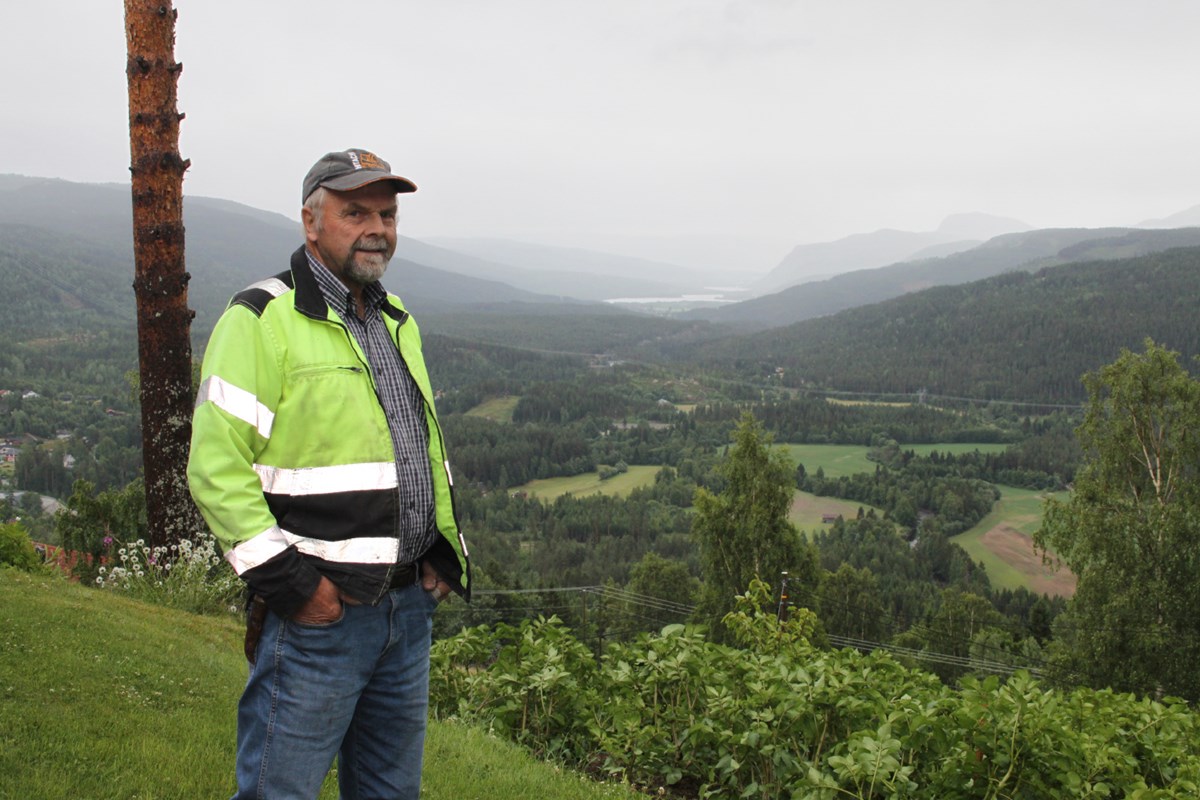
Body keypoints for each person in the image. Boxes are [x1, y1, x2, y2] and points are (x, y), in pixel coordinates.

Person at [187, 148, 470, 800]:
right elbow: (214, 466)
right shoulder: (261, 318)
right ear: (312, 222)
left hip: (406, 614)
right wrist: (290, 586)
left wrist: (439, 556)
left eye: (387, 214)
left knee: (390, 793)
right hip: (321, 616)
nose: (378, 228)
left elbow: (416, 448)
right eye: (356, 212)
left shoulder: (396, 319)